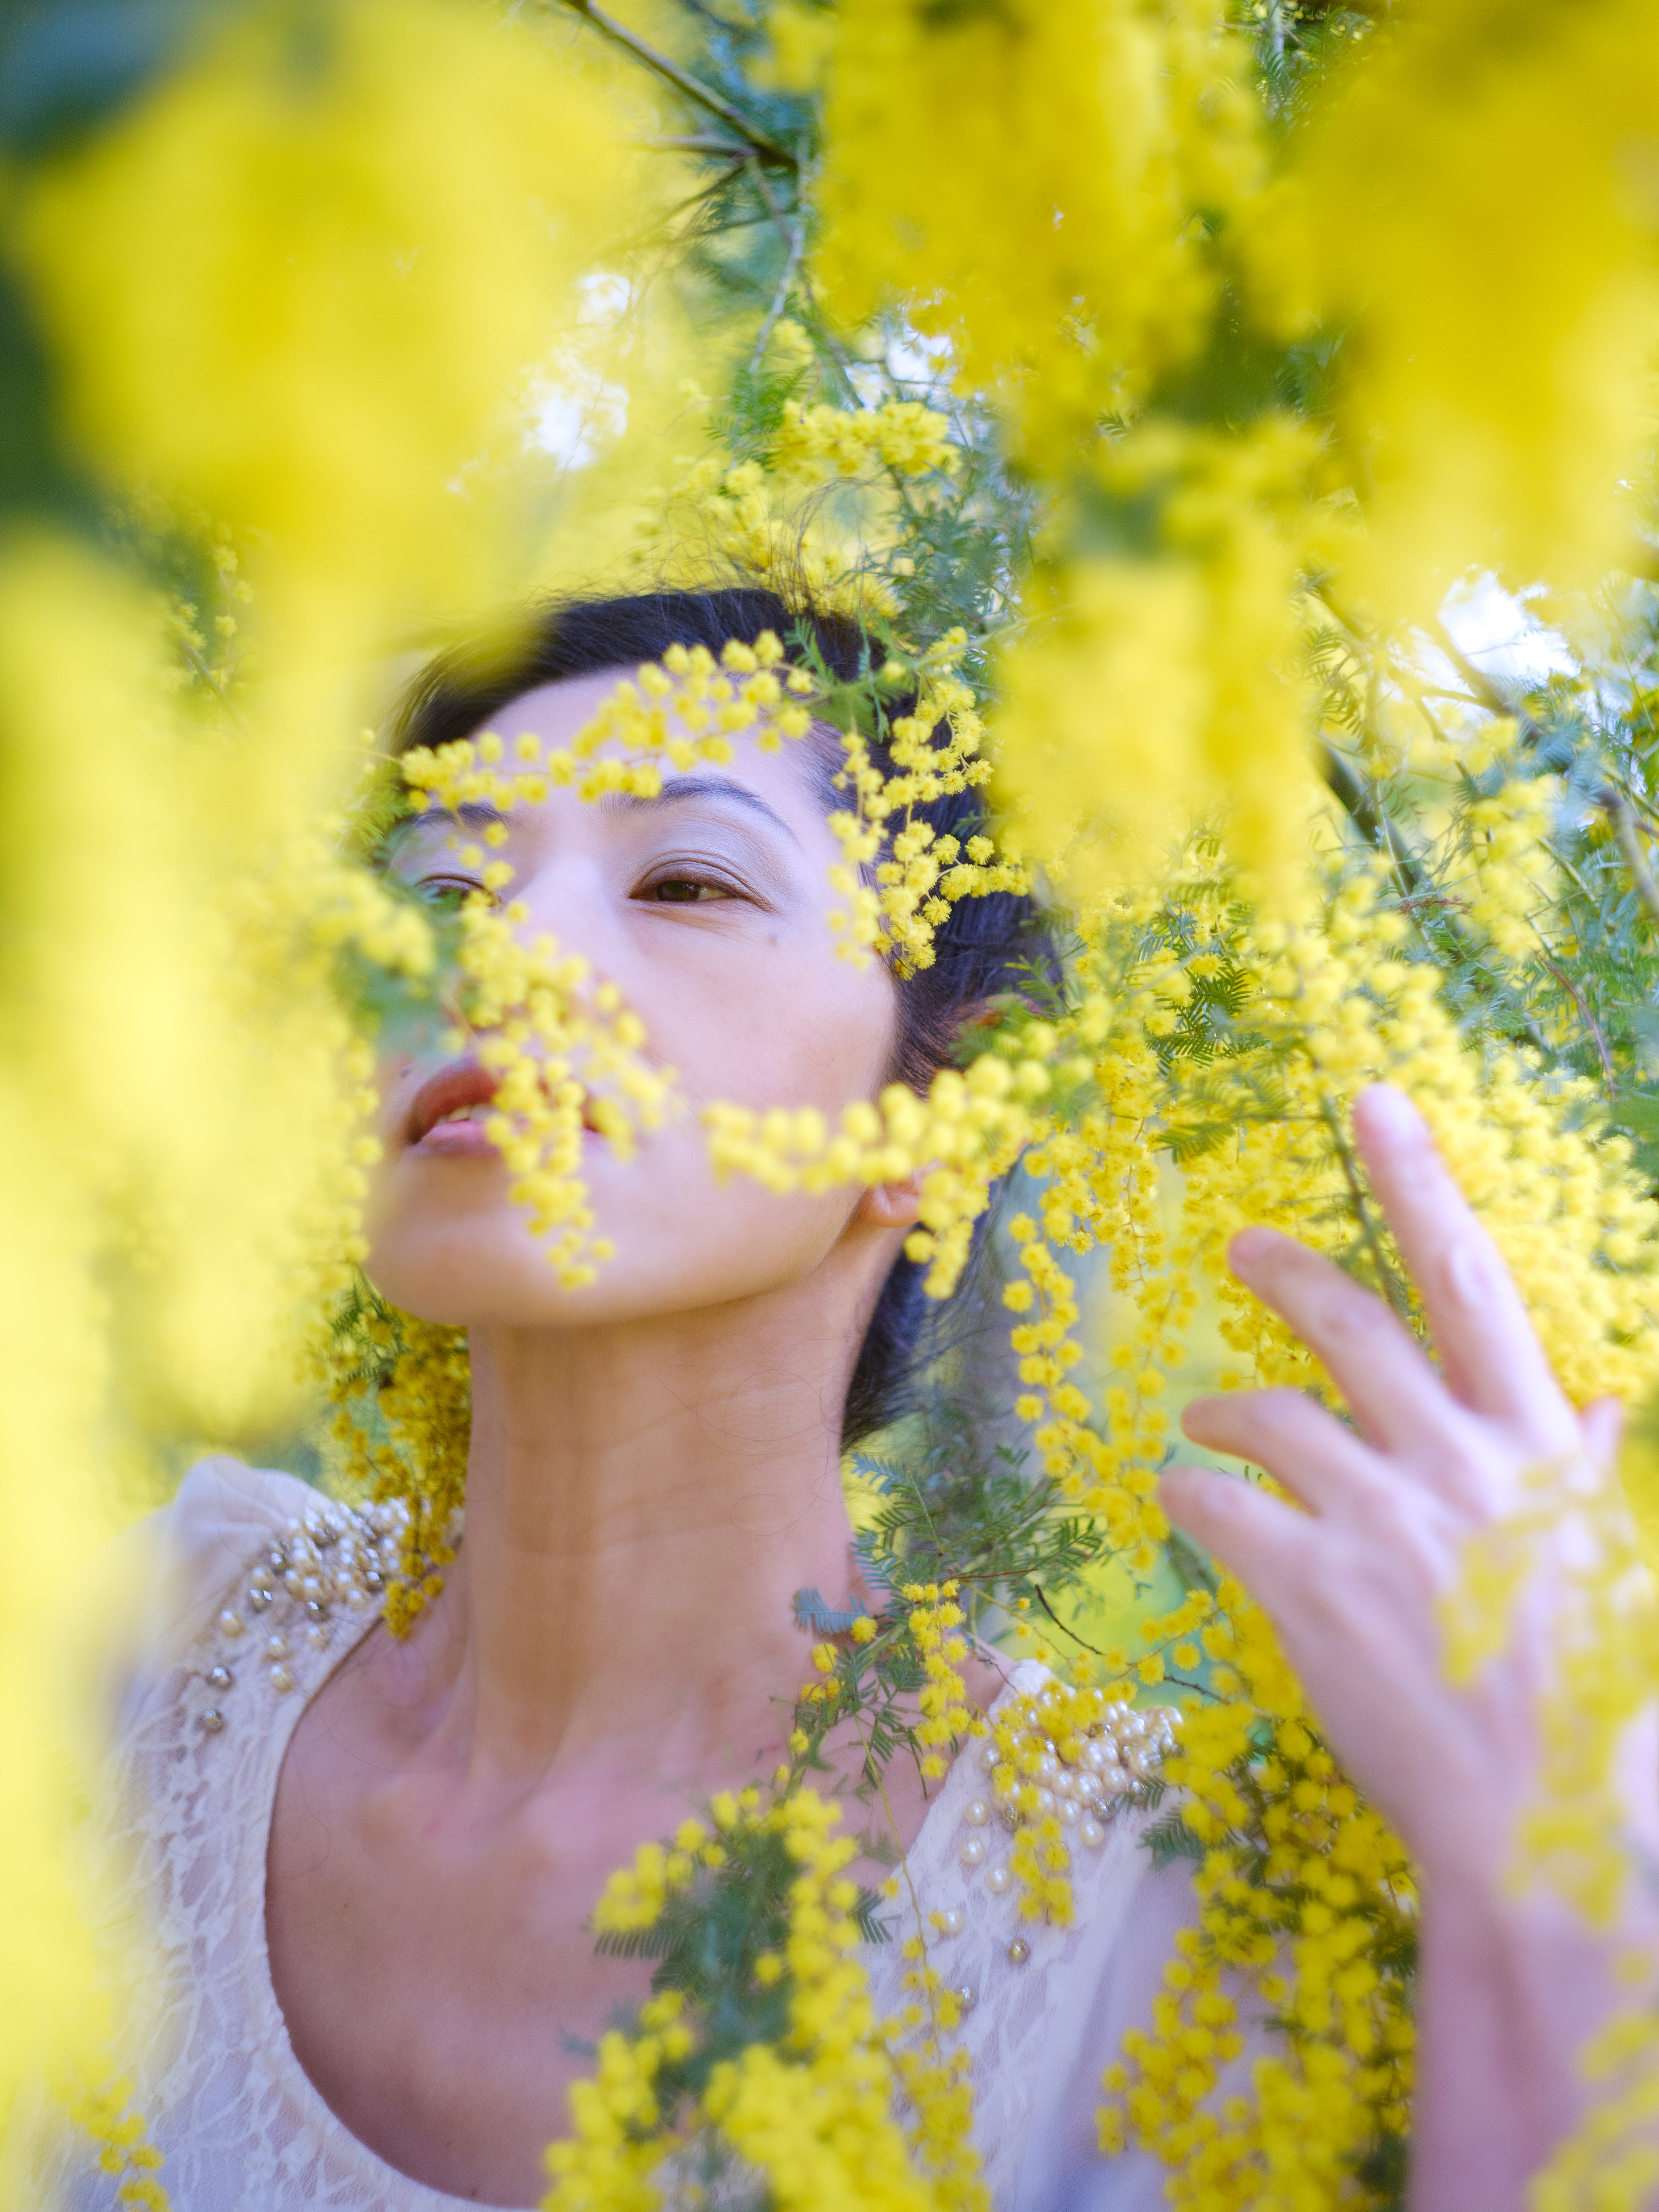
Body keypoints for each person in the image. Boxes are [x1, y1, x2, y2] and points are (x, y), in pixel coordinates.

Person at [10, 587, 1659, 2212]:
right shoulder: (135, 1647)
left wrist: (1566, 1858)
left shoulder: (1170, 1944)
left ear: (947, 1110)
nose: (496, 951)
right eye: (436, 889)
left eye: (686, 880)